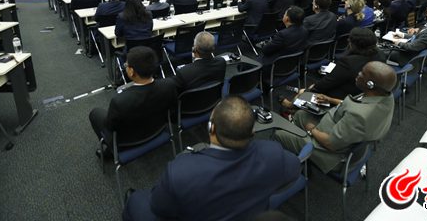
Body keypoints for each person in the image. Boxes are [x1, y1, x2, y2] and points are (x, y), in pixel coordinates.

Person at [123, 96, 300, 221]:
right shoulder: (273, 153)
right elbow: (294, 169)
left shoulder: (180, 171)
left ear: (211, 129)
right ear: (253, 132)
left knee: (135, 200)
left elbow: (159, 208)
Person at [274, 61, 396, 173]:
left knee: (278, 134)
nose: (358, 74)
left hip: (330, 153)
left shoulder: (359, 116)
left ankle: (292, 169)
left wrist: (311, 129)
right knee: (301, 114)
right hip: (338, 131)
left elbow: (330, 144)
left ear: (370, 84)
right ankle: (301, 156)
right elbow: (353, 104)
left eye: (362, 73)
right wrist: (330, 99)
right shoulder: (384, 96)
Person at [88, 47, 177, 158]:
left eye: (126, 65)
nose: (125, 66)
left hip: (126, 142)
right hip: (159, 130)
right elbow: (172, 111)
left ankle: (110, 150)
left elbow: (110, 127)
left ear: (131, 71)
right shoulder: (169, 85)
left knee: (95, 113)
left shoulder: (119, 101)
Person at [283, 28, 386, 105]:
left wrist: (310, 90)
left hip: (340, 96)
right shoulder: (381, 54)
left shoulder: (349, 62)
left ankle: (290, 107)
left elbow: (328, 82)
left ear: (353, 44)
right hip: (361, 94)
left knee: (303, 92)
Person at [389, 0, 427, 66]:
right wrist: (403, 35)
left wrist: (398, 42)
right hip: (418, 51)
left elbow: (412, 47)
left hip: (410, 58)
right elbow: (421, 37)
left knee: (382, 53)